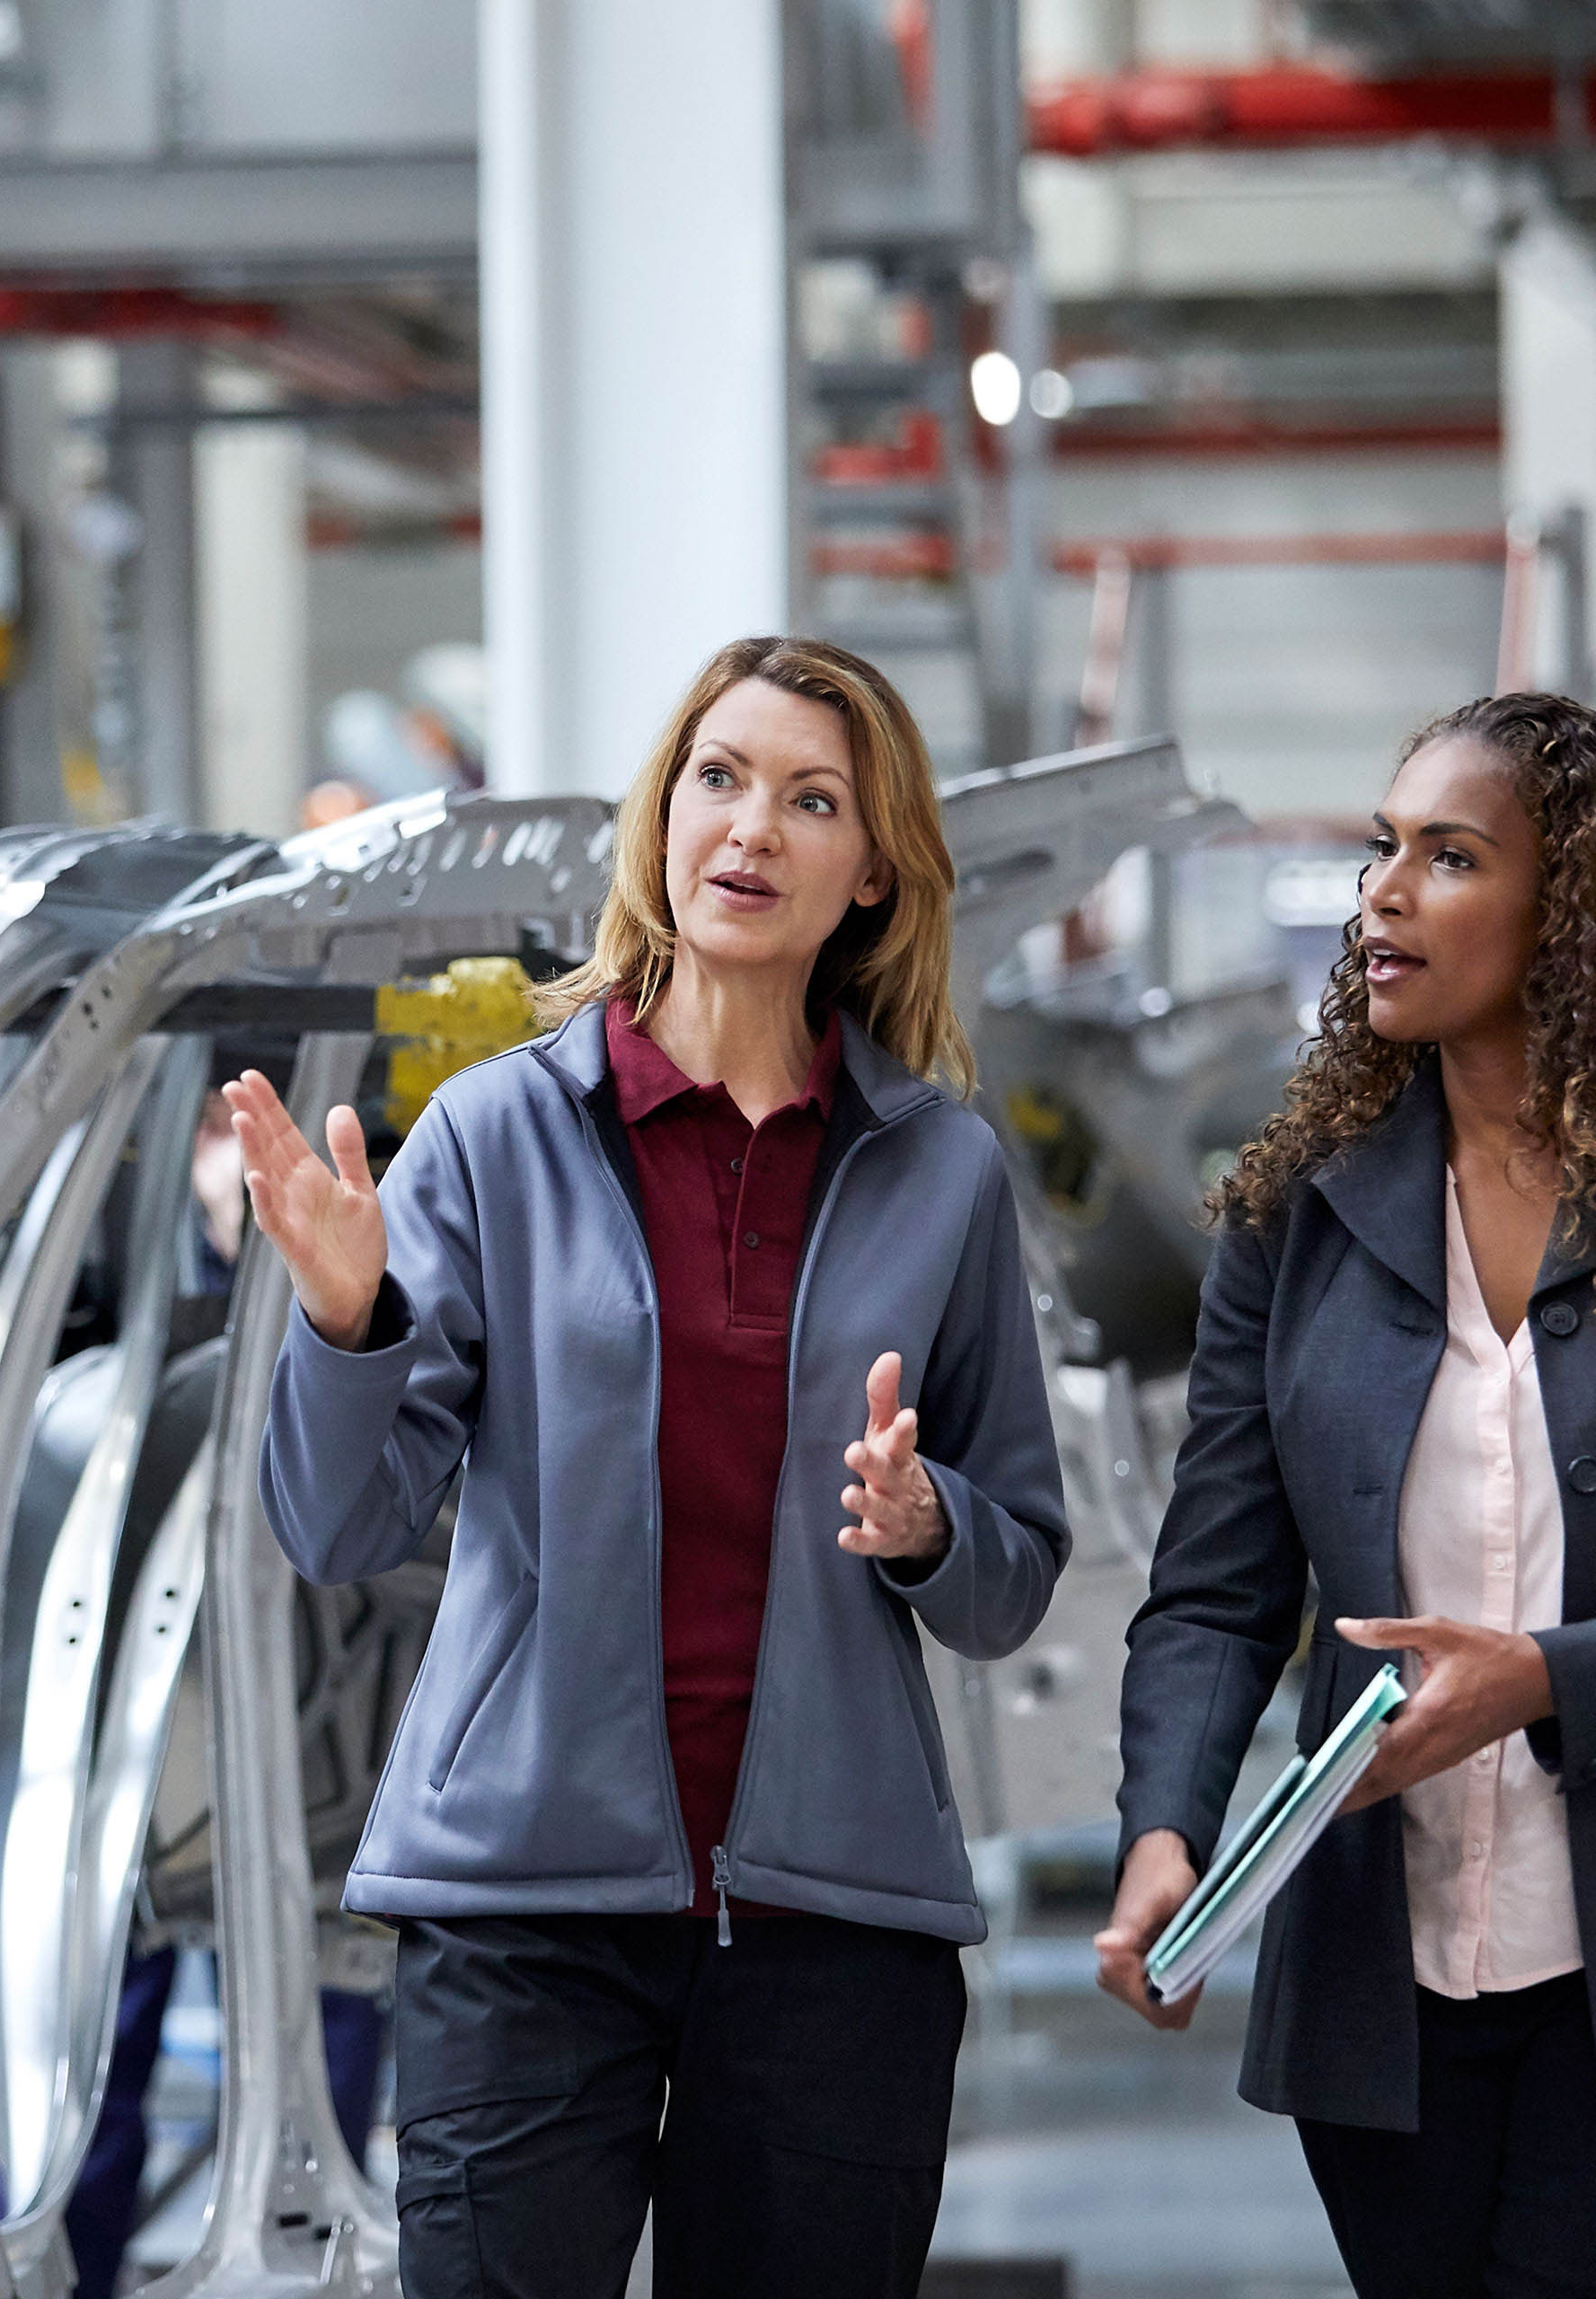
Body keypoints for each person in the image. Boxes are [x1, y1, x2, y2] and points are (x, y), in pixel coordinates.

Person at [236, 635, 1070, 2299]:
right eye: (720, 777)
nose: (751, 827)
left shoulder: (944, 1172)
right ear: (665, 820)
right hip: (525, 1914)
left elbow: (1015, 1565)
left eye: (811, 799)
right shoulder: (496, 1133)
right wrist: (346, 1321)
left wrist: (925, 1526)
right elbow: (340, 1524)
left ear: (873, 876)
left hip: (836, 1926)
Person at [1097, 691, 1596, 2299]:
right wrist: (1167, 1828)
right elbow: (1215, 1587)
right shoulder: (1292, 1208)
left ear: (1575, 920)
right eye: (1383, 850)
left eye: (1447, 858)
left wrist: (1543, 1681)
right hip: (1375, 1982)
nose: (1383, 894)